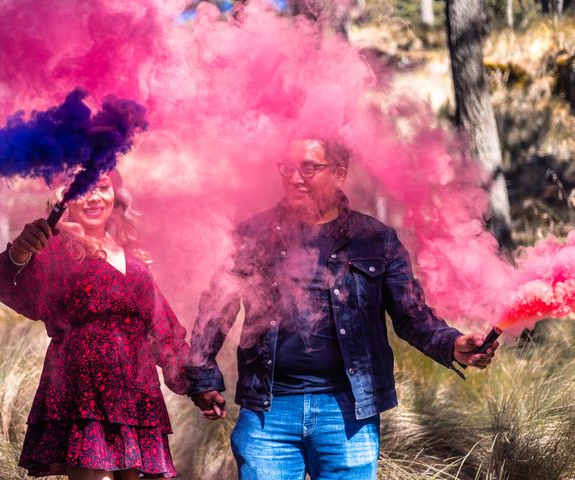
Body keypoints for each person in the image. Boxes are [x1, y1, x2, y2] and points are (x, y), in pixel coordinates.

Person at [188, 138, 499, 480]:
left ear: (339, 174)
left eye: (309, 167)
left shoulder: (375, 238)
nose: (295, 178)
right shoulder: (253, 234)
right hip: (269, 412)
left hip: (348, 411)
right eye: (287, 168)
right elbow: (216, 308)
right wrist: (203, 377)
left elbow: (412, 313)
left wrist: (453, 343)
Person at [0, 171, 189, 480]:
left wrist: (200, 383)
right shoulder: (53, 249)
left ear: (115, 193)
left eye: (102, 187)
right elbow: (15, 289)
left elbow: (161, 327)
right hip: (83, 397)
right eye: (81, 188)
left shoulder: (133, 255)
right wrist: (19, 253)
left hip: (137, 396)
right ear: (64, 198)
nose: (94, 196)